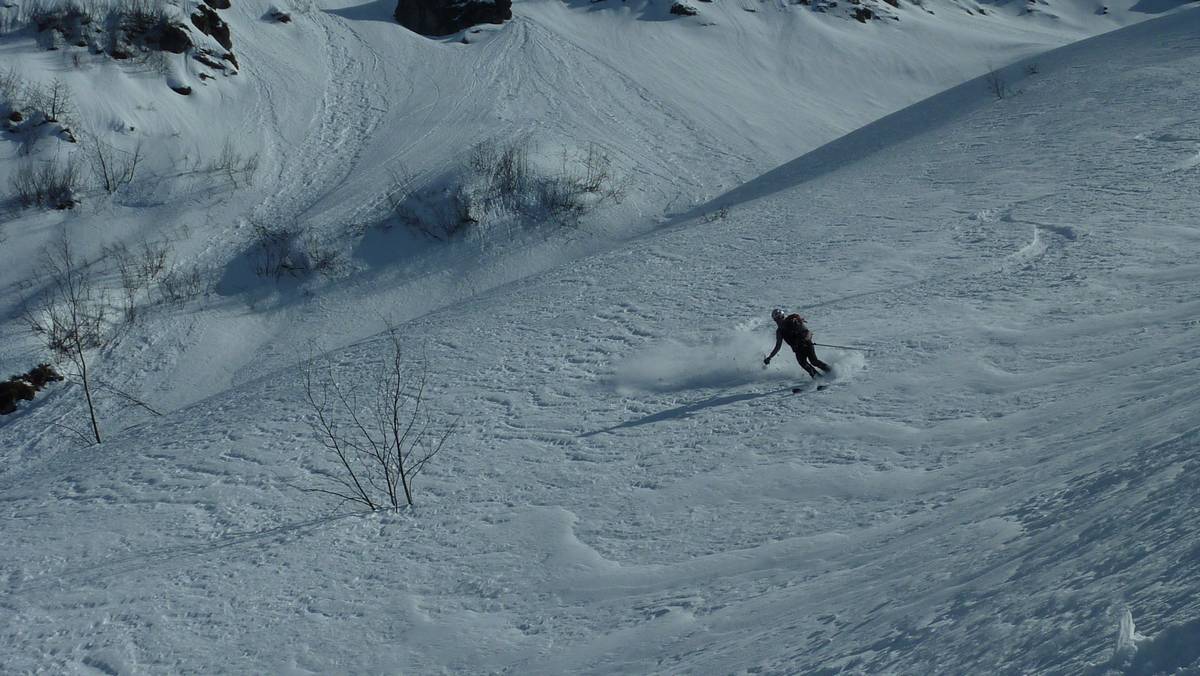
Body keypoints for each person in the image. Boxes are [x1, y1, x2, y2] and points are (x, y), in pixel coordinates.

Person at [763, 308, 830, 379]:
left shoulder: (793, 322)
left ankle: (830, 371)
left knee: (814, 361)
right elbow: (778, 346)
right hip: (798, 349)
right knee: (803, 363)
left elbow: (809, 332)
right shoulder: (779, 331)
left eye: (780, 317)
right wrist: (770, 357)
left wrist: (805, 339)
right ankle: (818, 378)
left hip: (807, 345)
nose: (779, 320)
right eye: (777, 319)